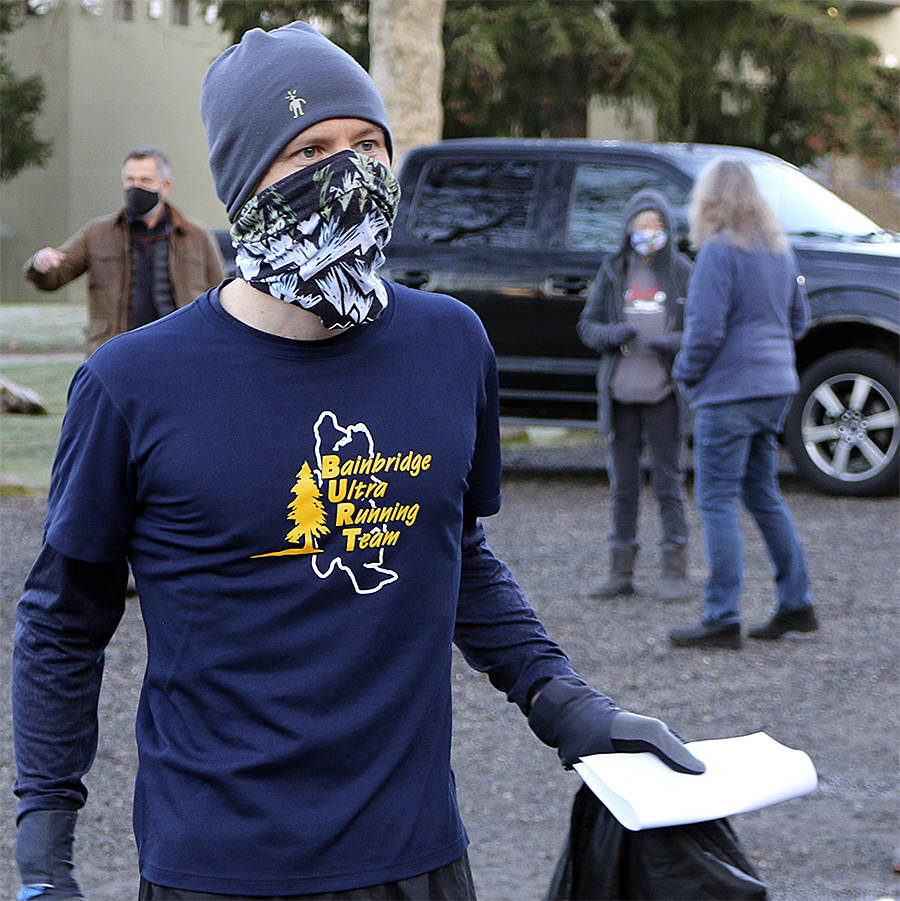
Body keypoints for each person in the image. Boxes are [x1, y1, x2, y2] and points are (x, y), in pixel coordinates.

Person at [12, 23, 705, 901]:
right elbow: (63, 625)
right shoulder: (132, 384)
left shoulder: (450, 343)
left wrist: (573, 707)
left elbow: (454, 554)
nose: (348, 172)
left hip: (416, 859)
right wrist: (45, 858)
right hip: (219, 869)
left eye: (367, 145)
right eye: (308, 149)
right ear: (243, 180)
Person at [668, 158, 819, 650]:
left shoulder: (717, 253)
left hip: (730, 392)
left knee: (715, 500)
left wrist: (684, 374)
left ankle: (721, 617)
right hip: (776, 386)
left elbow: (705, 330)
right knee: (763, 495)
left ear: (709, 198)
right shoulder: (778, 250)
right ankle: (796, 603)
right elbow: (800, 320)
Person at [577, 189, 692, 602]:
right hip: (620, 397)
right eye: (642, 226)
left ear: (668, 230)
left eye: (656, 226)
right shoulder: (613, 272)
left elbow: (701, 329)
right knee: (623, 486)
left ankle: (675, 571)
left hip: (664, 396)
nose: (649, 233)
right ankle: (620, 572)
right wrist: (613, 334)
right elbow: (587, 327)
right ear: (628, 230)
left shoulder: (682, 272)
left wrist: (673, 342)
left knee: (668, 482)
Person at [23, 146, 224, 355]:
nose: (136, 187)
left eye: (145, 181)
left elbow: (218, 296)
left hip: (179, 349)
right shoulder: (98, 232)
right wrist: (40, 262)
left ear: (165, 185)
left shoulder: (196, 235)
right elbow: (54, 277)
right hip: (116, 351)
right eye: (130, 180)